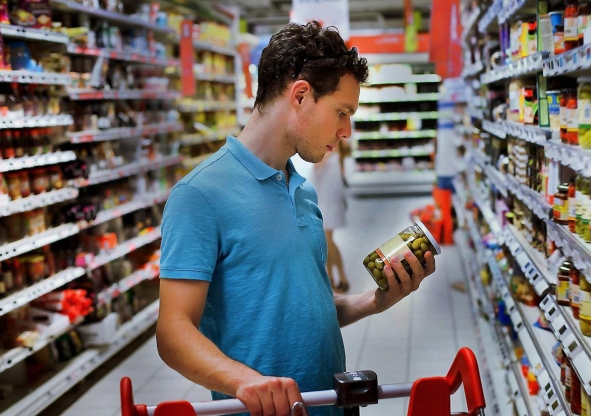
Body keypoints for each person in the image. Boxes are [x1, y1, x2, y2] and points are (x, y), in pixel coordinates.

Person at [156, 21, 437, 416]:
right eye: (342, 112)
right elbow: (173, 332)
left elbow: (303, 309)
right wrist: (244, 382)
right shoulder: (200, 195)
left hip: (329, 405)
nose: (347, 131)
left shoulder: (302, 189)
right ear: (301, 95)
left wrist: (375, 301)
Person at [310, 142, 350, 293]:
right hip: (325, 202)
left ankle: (342, 278)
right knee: (325, 241)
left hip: (328, 203)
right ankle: (332, 278)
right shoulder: (334, 153)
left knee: (327, 241)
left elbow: (317, 165)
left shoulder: (330, 152)